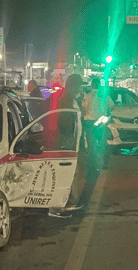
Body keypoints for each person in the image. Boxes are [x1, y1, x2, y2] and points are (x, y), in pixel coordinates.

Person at [47, 74, 85, 219]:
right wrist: (64, 144)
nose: (81, 89)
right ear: (73, 86)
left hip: (73, 144)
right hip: (65, 144)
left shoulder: (74, 101)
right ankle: (57, 207)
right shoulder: (63, 101)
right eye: (79, 86)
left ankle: (70, 202)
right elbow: (61, 124)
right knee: (63, 175)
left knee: (72, 173)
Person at [81, 77, 114, 172]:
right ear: (100, 85)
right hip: (102, 122)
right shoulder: (105, 96)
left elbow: (83, 108)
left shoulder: (88, 96)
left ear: (92, 85)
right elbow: (112, 107)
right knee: (102, 143)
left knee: (91, 145)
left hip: (90, 122)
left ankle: (93, 165)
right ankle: (103, 164)